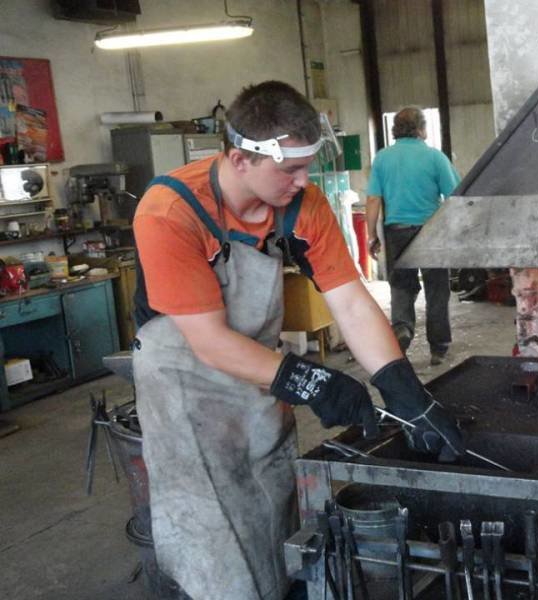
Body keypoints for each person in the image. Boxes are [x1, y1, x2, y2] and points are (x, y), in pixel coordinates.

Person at [132, 81, 465, 600]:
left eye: (307, 166)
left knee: (274, 507)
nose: (303, 181)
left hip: (259, 380)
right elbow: (210, 342)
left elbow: (350, 302)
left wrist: (405, 391)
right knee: (215, 533)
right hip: (186, 389)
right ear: (240, 159)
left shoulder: (302, 205)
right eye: (290, 169)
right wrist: (313, 381)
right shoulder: (171, 212)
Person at [366, 107, 461, 366]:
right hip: (430, 231)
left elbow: (373, 199)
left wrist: (371, 235)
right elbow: (455, 196)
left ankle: (402, 329)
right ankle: (438, 348)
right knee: (437, 289)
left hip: (396, 231)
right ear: (421, 128)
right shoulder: (434, 157)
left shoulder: (382, 159)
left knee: (401, 287)